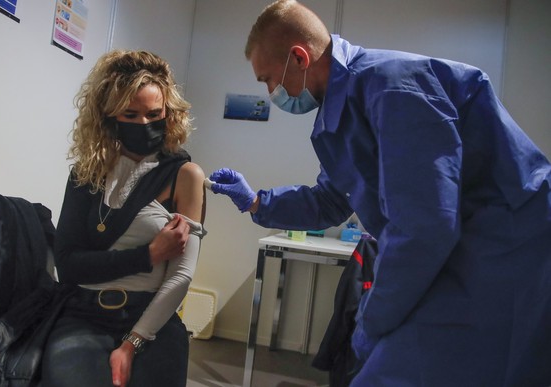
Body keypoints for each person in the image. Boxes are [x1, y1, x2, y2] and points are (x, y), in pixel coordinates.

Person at [208, 0, 551, 386]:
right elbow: (331, 200)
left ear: (299, 58)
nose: (272, 92)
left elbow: (425, 226)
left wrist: (372, 320)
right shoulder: (341, 110)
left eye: (268, 79)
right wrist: (257, 201)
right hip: (462, 251)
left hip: (510, 250)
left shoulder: (392, 87)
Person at [42, 50, 206, 387]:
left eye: (154, 113)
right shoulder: (86, 174)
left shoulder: (185, 175)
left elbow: (180, 278)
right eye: (130, 114)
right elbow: (69, 266)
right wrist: (149, 255)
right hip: (82, 315)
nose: (144, 124)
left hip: (151, 321)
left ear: (169, 113)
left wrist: (132, 343)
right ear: (109, 116)